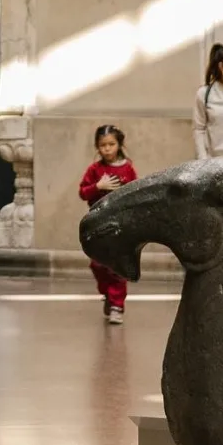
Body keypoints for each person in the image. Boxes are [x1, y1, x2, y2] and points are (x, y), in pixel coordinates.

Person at [78, 125, 137, 325]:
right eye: (103, 145)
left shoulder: (127, 169)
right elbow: (83, 192)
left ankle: (117, 305)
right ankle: (108, 294)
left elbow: (135, 193)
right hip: (98, 223)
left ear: (119, 144)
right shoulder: (95, 170)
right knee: (97, 264)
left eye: (111, 144)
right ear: (97, 147)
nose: (107, 149)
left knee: (117, 266)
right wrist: (98, 187)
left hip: (119, 224)